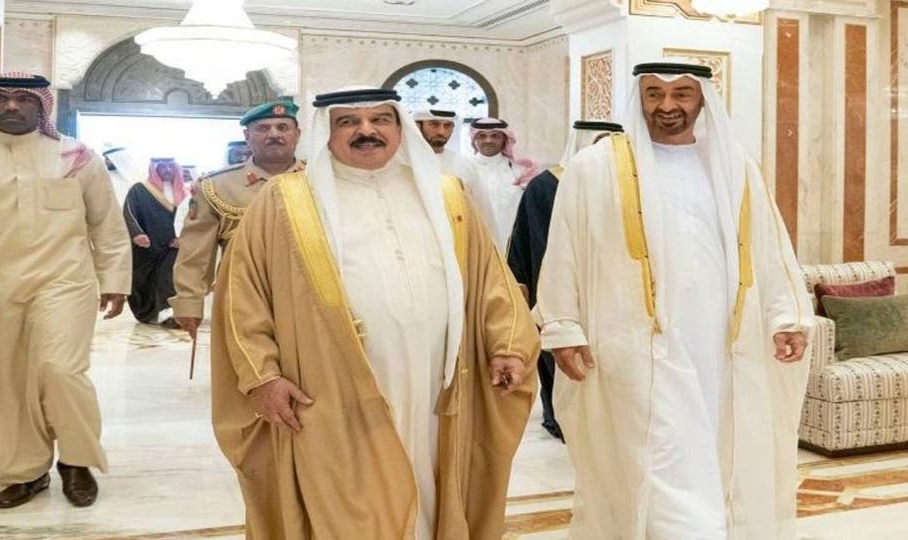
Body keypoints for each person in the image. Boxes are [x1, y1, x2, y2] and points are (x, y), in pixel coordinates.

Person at [211, 87, 538, 538]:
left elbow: (490, 280)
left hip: (436, 382)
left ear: (399, 128)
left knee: (430, 480)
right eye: (348, 121)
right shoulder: (284, 200)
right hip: (330, 386)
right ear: (327, 132)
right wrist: (261, 376)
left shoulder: (445, 195)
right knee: (348, 501)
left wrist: (508, 345)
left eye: (380, 119)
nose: (366, 131)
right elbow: (243, 295)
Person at [537, 62, 812, 540]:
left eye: (682, 94)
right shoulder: (594, 168)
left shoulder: (735, 165)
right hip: (633, 344)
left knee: (712, 446)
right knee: (654, 452)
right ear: (639, 98)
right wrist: (563, 327)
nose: (667, 106)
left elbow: (770, 249)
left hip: (722, 344)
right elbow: (564, 250)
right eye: (654, 94)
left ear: (703, 98)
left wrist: (785, 315)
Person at [0, 72, 131, 509]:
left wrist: (115, 280)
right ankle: (24, 471)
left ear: (42, 105)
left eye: (23, 98)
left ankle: (76, 460)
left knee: (60, 370)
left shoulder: (75, 156)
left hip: (64, 282)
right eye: (1, 98)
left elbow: (106, 224)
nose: (12, 106)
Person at [506, 120, 624, 442]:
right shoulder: (546, 185)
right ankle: (557, 416)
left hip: (609, 289)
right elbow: (525, 239)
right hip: (554, 283)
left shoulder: (626, 183)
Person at [170, 98, 304, 338]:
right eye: (263, 128)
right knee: (249, 360)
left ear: (297, 134)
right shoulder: (217, 186)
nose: (274, 134)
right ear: (247, 136)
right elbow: (195, 253)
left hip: (310, 296)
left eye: (283, 127)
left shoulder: (320, 180)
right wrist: (189, 302)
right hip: (243, 297)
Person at [123, 157, 187, 327]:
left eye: (170, 166)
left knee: (168, 279)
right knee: (145, 281)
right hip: (148, 247)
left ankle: (169, 313)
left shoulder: (185, 192)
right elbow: (129, 213)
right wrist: (137, 234)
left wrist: (184, 238)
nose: (167, 170)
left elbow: (192, 217)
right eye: (162, 167)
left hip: (174, 246)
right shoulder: (139, 190)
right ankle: (153, 313)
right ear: (154, 169)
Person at [467, 118, 539, 251]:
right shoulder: (464, 168)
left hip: (512, 245)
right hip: (476, 243)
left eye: (495, 136)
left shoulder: (521, 170)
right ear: (474, 139)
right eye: (482, 136)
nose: (488, 140)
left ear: (505, 139)